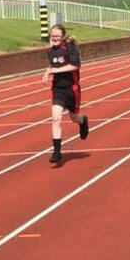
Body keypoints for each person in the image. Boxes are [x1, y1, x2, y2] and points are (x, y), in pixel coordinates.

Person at [41, 24, 89, 164]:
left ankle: (83, 121)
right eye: (52, 36)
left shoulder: (70, 48)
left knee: (74, 117)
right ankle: (57, 153)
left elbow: (75, 65)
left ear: (62, 37)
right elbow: (52, 66)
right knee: (56, 118)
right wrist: (47, 72)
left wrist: (54, 71)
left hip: (72, 89)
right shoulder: (50, 52)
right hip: (58, 90)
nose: (54, 38)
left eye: (57, 36)